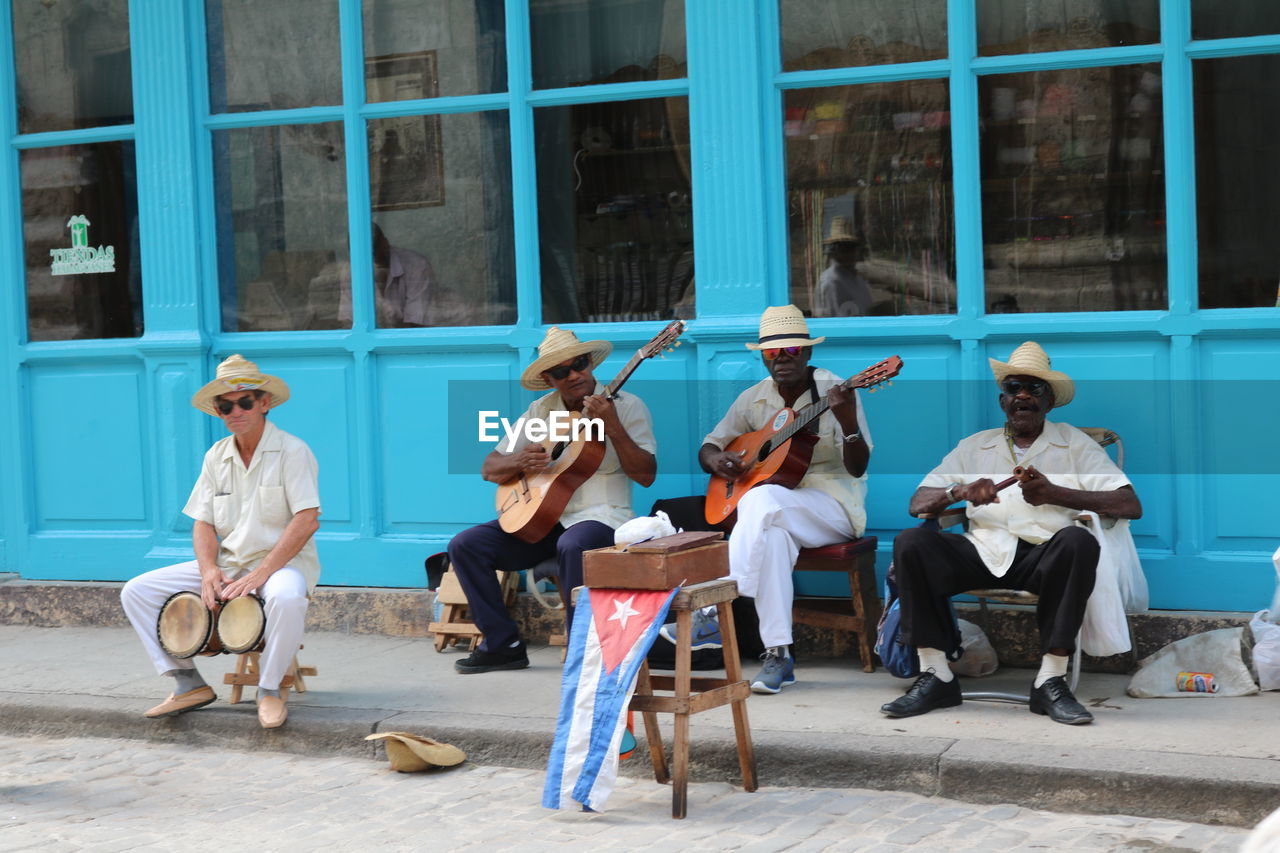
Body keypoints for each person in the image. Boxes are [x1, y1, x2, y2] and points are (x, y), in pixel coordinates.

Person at [881, 341, 1141, 725]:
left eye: (1034, 389)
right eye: (1014, 387)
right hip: (981, 551)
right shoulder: (975, 446)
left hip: (1043, 556)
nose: (1023, 396)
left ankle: (1050, 681)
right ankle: (937, 675)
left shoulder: (1074, 444)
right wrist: (960, 491)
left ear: (1049, 401)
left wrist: (1055, 493)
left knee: (1078, 541)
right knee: (911, 542)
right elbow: (918, 502)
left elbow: (1129, 505)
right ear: (1002, 400)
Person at [663, 304, 872, 694]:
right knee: (771, 536)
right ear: (762, 357)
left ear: (807, 353)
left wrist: (847, 423)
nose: (781, 360)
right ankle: (778, 655)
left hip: (833, 506)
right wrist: (719, 461)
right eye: (771, 353)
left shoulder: (836, 391)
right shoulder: (753, 398)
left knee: (759, 502)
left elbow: (858, 468)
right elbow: (709, 445)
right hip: (776, 513)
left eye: (790, 351)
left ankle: (712, 607)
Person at [120, 355, 321, 729]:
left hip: (280, 565)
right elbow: (203, 522)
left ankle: (270, 688)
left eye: (245, 401)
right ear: (217, 410)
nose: (236, 411)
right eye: (226, 405)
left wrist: (260, 573)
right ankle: (187, 682)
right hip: (231, 564)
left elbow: (306, 521)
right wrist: (209, 569)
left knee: (287, 597)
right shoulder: (216, 455)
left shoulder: (293, 451)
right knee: (137, 591)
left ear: (264, 403)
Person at [447, 327, 657, 674]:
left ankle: (583, 654)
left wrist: (614, 426)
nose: (574, 375)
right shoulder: (540, 411)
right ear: (548, 379)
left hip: (602, 518)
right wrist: (519, 461)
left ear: (590, 363)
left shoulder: (628, 406)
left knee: (574, 544)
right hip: (544, 520)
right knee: (466, 545)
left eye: (580, 364)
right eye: (562, 371)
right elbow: (490, 467)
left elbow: (646, 474)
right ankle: (503, 645)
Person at [814, 216, 872, 318]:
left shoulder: (857, 278)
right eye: (843, 248)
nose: (849, 253)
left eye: (851, 247)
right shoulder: (830, 282)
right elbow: (834, 322)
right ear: (835, 251)